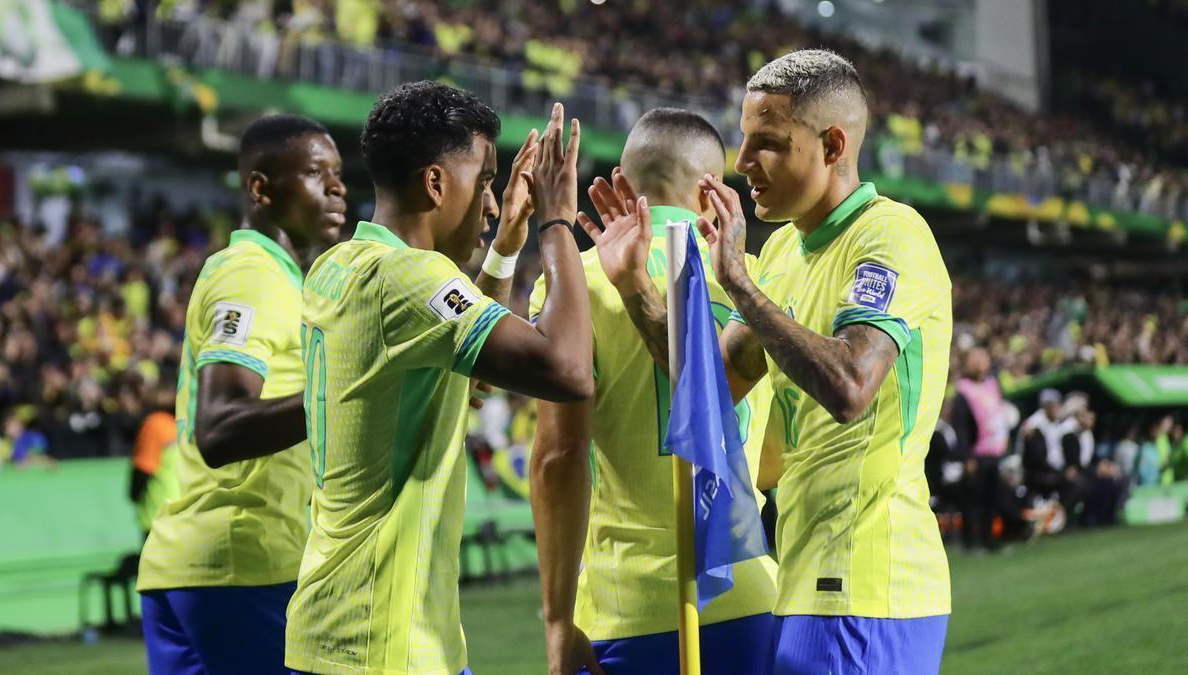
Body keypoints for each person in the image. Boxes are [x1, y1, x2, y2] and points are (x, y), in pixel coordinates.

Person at [580, 50, 953, 674]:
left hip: (870, 581)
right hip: (806, 579)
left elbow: (852, 385)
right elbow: (710, 387)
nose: (743, 163)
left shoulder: (890, 235)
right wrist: (634, 289)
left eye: (769, 143)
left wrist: (740, 287)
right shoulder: (782, 251)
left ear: (833, 144)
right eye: (745, 140)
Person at [284, 86, 593, 675]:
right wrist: (557, 219)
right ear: (434, 184)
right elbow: (569, 370)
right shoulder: (407, 278)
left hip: (339, 629)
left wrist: (504, 250)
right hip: (384, 644)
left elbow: (467, 373)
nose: (494, 203)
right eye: (486, 181)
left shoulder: (339, 266)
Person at [528, 108, 778, 675]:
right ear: (714, 192)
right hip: (750, 591)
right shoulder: (756, 277)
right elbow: (773, 458)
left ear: (620, 185)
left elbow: (558, 458)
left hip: (634, 608)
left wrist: (558, 621)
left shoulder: (581, 280)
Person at [137, 113, 347, 675]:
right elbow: (221, 426)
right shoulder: (251, 275)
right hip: (242, 562)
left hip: (192, 568)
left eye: (338, 174)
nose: (337, 187)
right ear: (260, 188)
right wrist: (350, 393)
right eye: (314, 172)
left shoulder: (279, 278)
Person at [951, 347, 1012, 551]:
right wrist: (966, 457)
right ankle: (971, 541)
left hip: (994, 451)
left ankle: (989, 539)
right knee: (973, 501)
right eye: (975, 359)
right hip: (976, 454)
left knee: (991, 499)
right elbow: (961, 428)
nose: (980, 363)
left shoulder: (992, 385)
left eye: (983, 358)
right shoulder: (963, 391)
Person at [129, 382, 179, 540]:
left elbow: (144, 467)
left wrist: (133, 494)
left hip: (159, 509)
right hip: (181, 509)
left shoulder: (155, 424)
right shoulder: (181, 425)